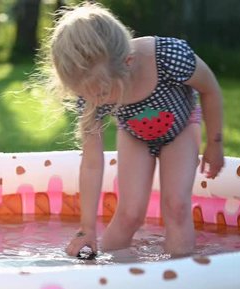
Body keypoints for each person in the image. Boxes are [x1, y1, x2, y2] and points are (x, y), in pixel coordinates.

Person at [38, 2, 225, 257]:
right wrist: (87, 228)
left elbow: (210, 88)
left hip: (180, 127)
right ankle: (110, 280)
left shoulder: (169, 57)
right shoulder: (92, 91)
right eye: (87, 95)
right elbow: (92, 163)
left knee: (177, 206)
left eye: (103, 93)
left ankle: (182, 283)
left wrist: (215, 143)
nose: (98, 101)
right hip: (135, 134)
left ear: (127, 62)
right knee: (129, 213)